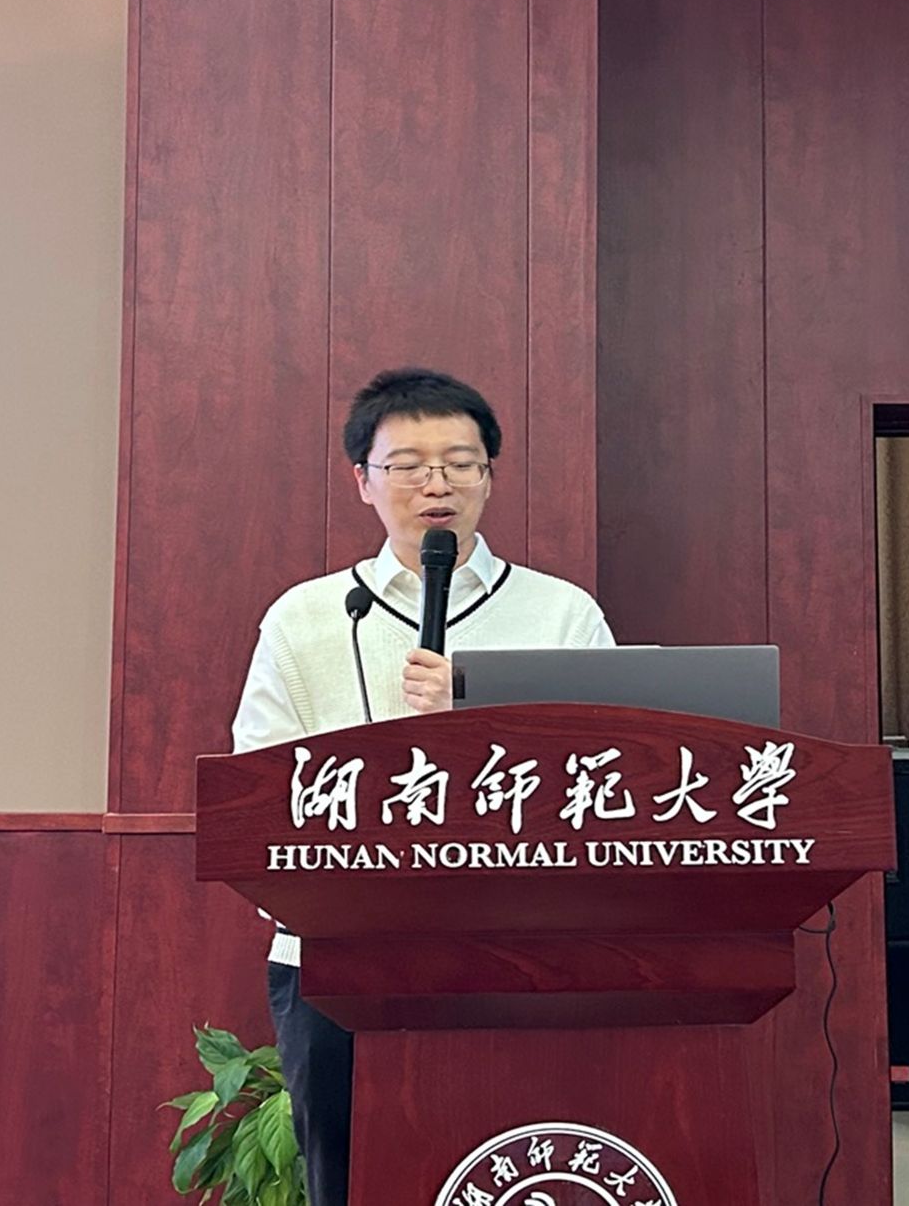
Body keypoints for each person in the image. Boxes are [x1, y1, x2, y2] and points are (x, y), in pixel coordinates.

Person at [231, 366, 613, 1206]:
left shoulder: (562, 615)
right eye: (407, 465)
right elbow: (258, 788)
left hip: (521, 952)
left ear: (489, 476)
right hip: (337, 957)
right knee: (351, 1178)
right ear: (362, 480)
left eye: (460, 462)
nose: (436, 484)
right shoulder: (305, 618)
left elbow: (606, 775)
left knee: (516, 1172)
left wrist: (477, 709)